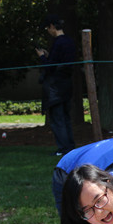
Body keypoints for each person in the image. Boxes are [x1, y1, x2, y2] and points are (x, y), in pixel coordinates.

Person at [36, 14, 77, 156]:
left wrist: (42, 57)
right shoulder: (70, 42)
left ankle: (63, 149)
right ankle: (70, 146)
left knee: (57, 119)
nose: (48, 31)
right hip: (66, 85)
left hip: (55, 87)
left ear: (52, 26)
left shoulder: (58, 43)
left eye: (48, 28)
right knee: (65, 118)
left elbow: (50, 67)